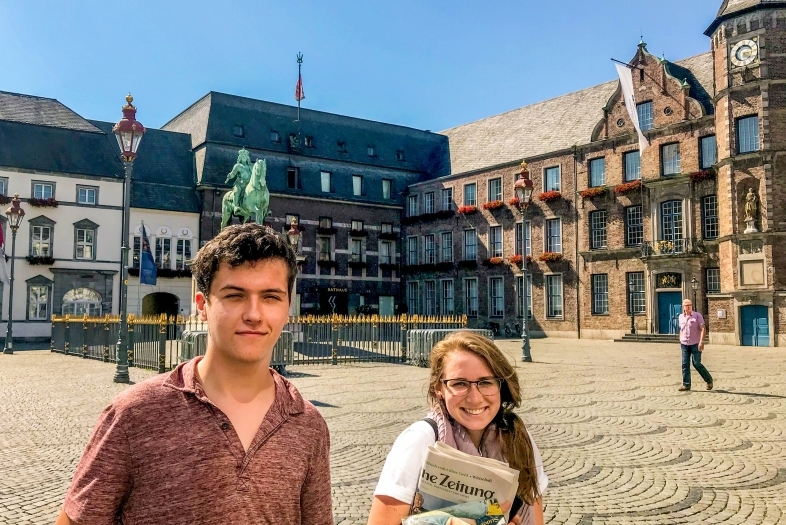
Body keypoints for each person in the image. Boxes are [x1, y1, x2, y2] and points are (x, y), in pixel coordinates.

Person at [55, 223, 333, 525]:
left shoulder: (308, 425)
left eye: (270, 297)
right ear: (202, 305)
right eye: (235, 296)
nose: (254, 314)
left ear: (287, 306)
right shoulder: (134, 414)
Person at [368, 331, 547, 525]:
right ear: (439, 388)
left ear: (501, 385)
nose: (474, 398)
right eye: (460, 383)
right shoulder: (420, 441)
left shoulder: (518, 439)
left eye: (485, 382)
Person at [678, 299, 713, 392]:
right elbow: (681, 329)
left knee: (696, 363)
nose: (688, 306)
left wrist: (701, 341)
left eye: (690, 305)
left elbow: (703, 328)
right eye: (686, 305)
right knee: (685, 364)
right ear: (683, 307)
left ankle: (709, 380)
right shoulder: (681, 317)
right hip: (684, 344)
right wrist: (680, 339)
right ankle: (686, 384)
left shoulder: (697, 316)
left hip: (695, 343)